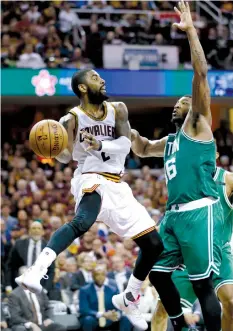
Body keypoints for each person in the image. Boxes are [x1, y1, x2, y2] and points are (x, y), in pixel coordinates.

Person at [16, 67, 164, 330]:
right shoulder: (71, 119)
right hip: (90, 176)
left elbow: (124, 144)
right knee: (83, 221)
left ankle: (129, 297)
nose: (102, 79)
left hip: (117, 184)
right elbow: (64, 156)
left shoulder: (118, 109)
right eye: (95, 77)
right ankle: (36, 270)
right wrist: (57, 144)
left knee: (154, 244)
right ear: (83, 87)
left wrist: (98, 144)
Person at [131, 2, 224, 330]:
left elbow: (201, 72)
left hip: (199, 211)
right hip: (172, 215)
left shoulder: (198, 124)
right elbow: (141, 146)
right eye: (175, 102)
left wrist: (191, 32)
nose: (178, 103)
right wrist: (116, 122)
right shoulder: (168, 143)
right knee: (156, 272)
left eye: (182, 101)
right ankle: (181, 326)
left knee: (202, 285)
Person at [151, 165, 233, 331]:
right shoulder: (183, 180)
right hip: (187, 255)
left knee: (231, 303)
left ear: (214, 154)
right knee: (162, 310)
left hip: (218, 251)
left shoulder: (228, 180)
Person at [6, 221, 55, 293]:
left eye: (39, 228)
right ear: (29, 231)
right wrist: (8, 284)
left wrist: (46, 289)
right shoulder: (19, 244)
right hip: (20, 285)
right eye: (33, 228)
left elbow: (51, 271)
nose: (36, 230)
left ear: (42, 232)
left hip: (40, 286)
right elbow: (10, 266)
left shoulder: (49, 247)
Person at [79, 266, 131, 331]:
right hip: (94, 318)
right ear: (92, 276)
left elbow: (119, 307)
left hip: (109, 319)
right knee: (88, 319)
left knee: (126, 318)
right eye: (97, 275)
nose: (100, 277)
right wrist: (102, 314)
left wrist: (115, 314)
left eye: (103, 275)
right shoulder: (84, 290)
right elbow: (84, 310)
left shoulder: (113, 290)